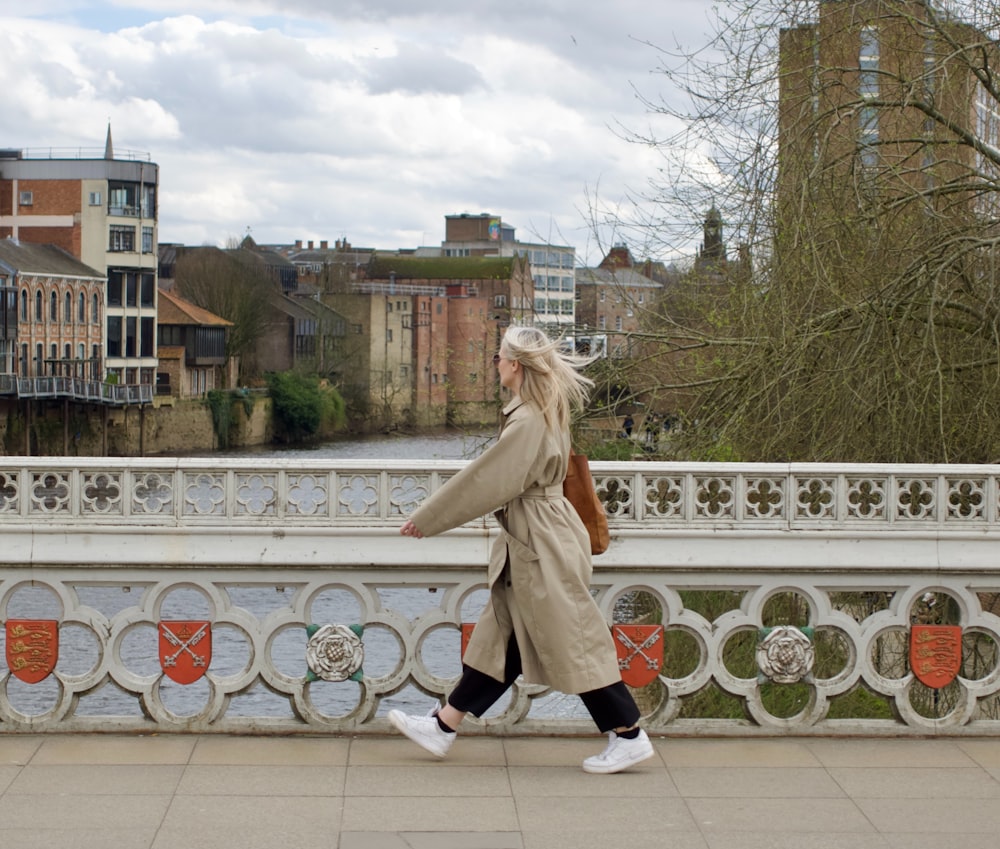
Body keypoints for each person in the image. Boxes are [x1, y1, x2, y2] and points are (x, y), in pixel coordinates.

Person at [389, 325, 654, 774]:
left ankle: (628, 734)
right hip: (537, 538)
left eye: (499, 357)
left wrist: (428, 519)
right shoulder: (540, 410)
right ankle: (443, 725)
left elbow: (490, 478)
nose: (495, 363)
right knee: (504, 639)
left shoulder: (529, 419)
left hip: (541, 541)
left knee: (572, 637)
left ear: (515, 365)